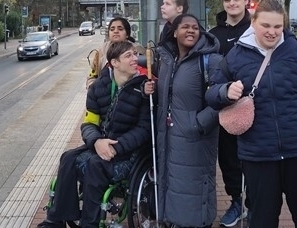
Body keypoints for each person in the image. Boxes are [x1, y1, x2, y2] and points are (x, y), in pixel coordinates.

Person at [205, 0, 297, 228]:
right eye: (266, 26)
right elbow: (211, 95)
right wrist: (224, 91)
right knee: (261, 220)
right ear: (253, 23)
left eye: (278, 27)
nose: (272, 32)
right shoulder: (236, 56)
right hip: (258, 155)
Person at [37, 41, 155, 228]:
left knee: (95, 164)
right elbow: (89, 123)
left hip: (128, 150)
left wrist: (115, 146)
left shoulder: (143, 89)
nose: (136, 59)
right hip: (101, 143)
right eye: (129, 56)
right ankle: (56, 219)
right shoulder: (99, 87)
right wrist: (97, 141)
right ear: (114, 63)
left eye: (135, 54)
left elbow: (143, 130)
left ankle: (88, 223)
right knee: (67, 158)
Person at [155, 13, 222, 228]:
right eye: (185, 27)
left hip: (196, 139)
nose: (191, 30)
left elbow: (222, 99)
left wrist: (198, 123)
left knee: (194, 189)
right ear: (174, 32)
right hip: (169, 137)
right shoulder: (167, 61)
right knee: (173, 186)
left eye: (195, 27)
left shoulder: (211, 60)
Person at [209, 0, 251, 227]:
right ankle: (237, 201)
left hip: (254, 106)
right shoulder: (214, 35)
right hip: (224, 107)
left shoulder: (255, 30)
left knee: (254, 159)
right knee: (227, 158)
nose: (232, 3)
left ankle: (254, 203)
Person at [86, 17, 136, 88]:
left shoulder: (136, 50)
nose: (115, 31)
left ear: (127, 34)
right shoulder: (101, 50)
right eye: (112, 29)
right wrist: (93, 88)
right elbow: (93, 75)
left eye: (120, 29)